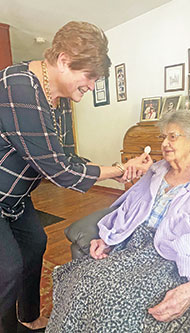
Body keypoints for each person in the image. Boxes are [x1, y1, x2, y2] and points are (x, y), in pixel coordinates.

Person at [0, 21, 153, 333]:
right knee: (7, 269)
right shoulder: (18, 85)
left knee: (35, 242)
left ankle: (27, 316)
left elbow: (64, 157)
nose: (88, 91)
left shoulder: (54, 99)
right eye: (87, 82)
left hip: (15, 198)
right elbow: (59, 170)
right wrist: (120, 170)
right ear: (64, 60)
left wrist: (113, 168)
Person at [46, 110, 190, 332]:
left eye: (173, 136)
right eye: (163, 137)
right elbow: (129, 208)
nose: (164, 143)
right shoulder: (157, 171)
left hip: (171, 258)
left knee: (117, 309)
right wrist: (107, 237)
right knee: (81, 282)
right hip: (135, 248)